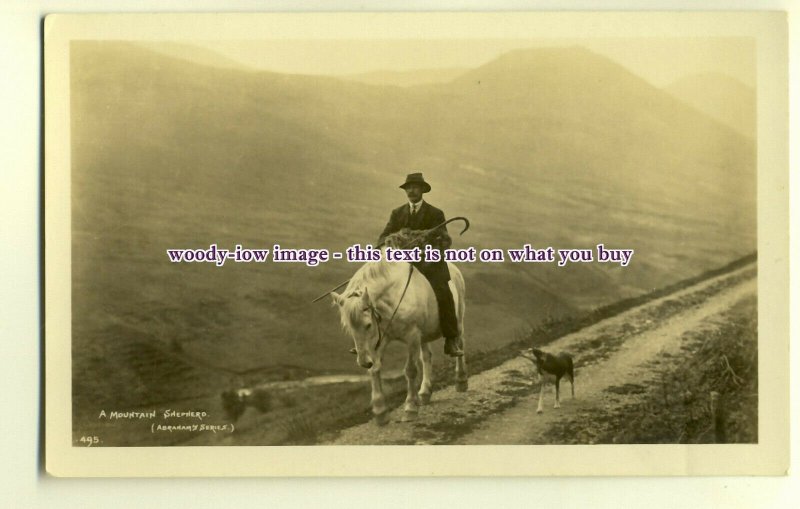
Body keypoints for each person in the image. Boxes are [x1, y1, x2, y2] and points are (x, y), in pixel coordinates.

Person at [377, 172, 463, 357]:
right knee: (378, 291)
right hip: (403, 263)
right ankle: (374, 336)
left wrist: (427, 251)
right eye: (408, 188)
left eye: (415, 187)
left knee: (443, 291)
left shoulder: (435, 213)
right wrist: (390, 244)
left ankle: (451, 339)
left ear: (423, 190)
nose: (411, 191)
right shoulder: (397, 213)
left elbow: (443, 240)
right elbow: (383, 237)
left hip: (430, 264)